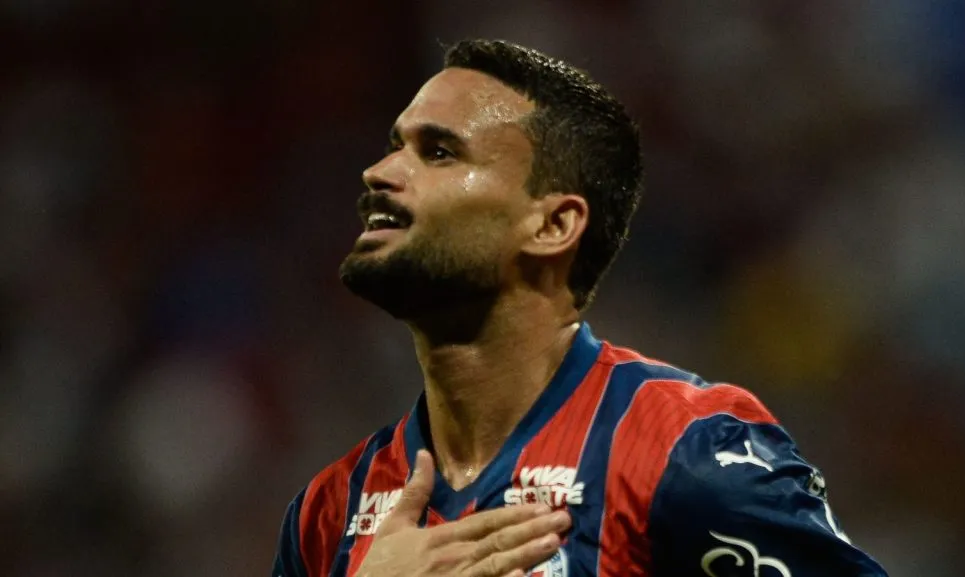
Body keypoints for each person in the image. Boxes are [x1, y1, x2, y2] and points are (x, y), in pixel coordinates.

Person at [271, 39, 888, 577]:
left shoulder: (685, 453)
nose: (379, 172)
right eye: (394, 145)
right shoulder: (328, 514)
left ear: (553, 224)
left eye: (439, 153)